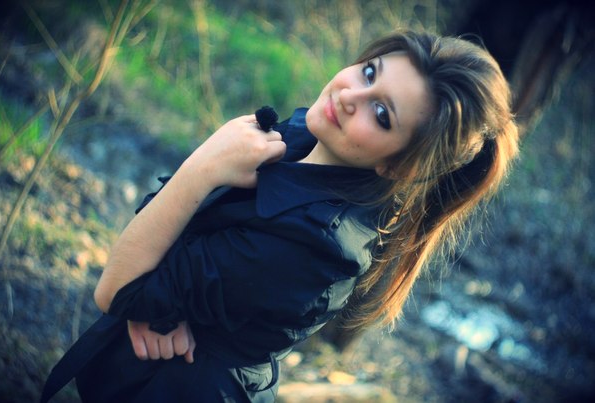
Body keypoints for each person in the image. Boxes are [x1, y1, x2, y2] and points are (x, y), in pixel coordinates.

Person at [41, 29, 519, 402]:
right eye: (369, 72)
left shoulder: (317, 247)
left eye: (381, 114)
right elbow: (155, 248)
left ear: (398, 166)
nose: (349, 96)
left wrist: (203, 167)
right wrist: (155, 299)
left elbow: (116, 290)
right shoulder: (305, 137)